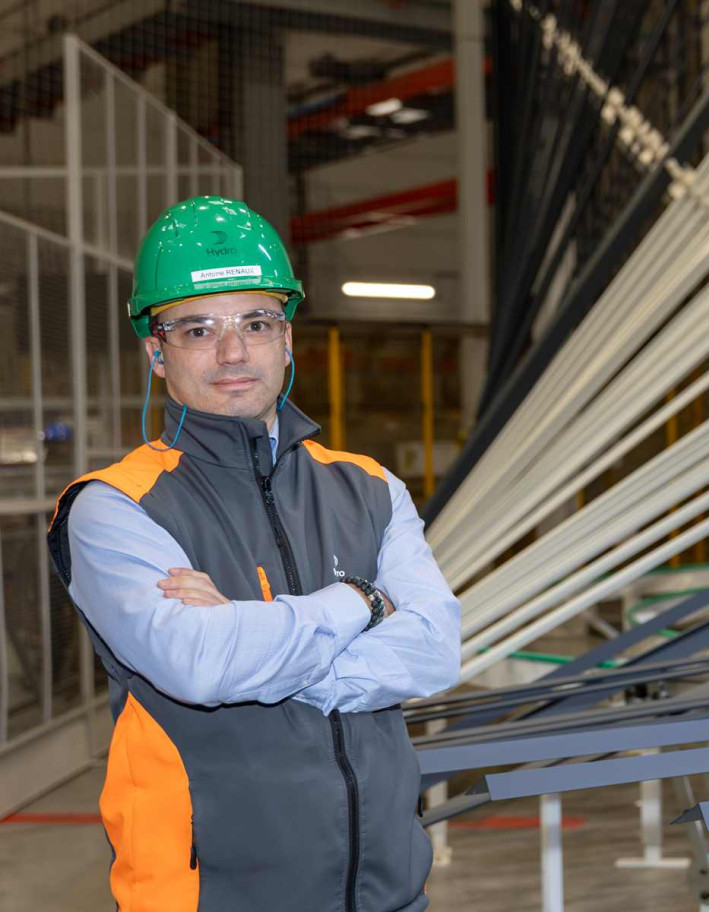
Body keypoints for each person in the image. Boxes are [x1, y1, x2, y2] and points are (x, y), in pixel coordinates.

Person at [46, 195, 461, 912]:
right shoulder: (112, 508)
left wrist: (253, 638)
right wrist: (362, 603)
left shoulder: (367, 486)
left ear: (288, 338)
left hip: (388, 891)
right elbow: (201, 666)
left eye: (257, 323)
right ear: (156, 352)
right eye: (199, 328)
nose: (234, 352)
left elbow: (432, 651)